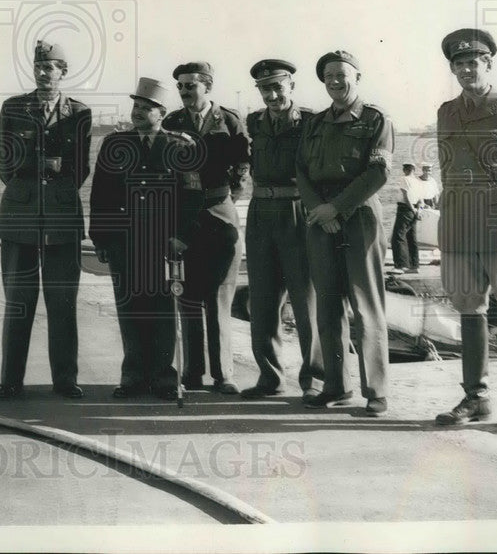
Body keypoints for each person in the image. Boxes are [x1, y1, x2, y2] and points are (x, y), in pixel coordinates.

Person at [434, 29, 497, 434]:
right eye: (459, 64)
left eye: (473, 62)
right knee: (468, 306)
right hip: (458, 222)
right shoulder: (446, 111)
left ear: (488, 64)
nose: (466, 70)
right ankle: (476, 397)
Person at [0, 40, 92, 399]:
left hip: (62, 216)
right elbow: (2, 158)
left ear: (63, 72)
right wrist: (30, 185)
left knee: (62, 301)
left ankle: (65, 379)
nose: (42, 73)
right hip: (20, 213)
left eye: (50, 67)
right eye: (38, 67)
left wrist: (56, 188)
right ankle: (10, 380)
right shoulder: (13, 107)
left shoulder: (79, 112)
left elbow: (81, 166)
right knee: (18, 301)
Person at [296, 50, 393, 417]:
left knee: (366, 305)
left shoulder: (375, 119)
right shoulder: (314, 123)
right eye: (329, 76)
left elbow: (378, 172)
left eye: (342, 74)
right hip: (320, 219)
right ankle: (335, 385)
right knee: (327, 305)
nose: (335, 81)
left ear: (357, 77)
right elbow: (300, 170)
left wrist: (336, 208)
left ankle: (376, 392)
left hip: (358, 216)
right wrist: (319, 210)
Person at [89, 77, 189, 400]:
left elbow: (191, 197)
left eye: (146, 108)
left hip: (163, 243)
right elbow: (101, 194)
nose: (138, 112)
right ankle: (132, 376)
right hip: (124, 240)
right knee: (129, 308)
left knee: (162, 309)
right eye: (136, 106)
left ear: (162, 113)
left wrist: (181, 236)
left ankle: (163, 378)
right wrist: (101, 239)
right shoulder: (115, 145)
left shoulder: (179, 146)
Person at [240, 59, 326, 401]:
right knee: (262, 300)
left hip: (297, 212)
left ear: (291, 86)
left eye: (277, 87)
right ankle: (270, 377)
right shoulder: (254, 122)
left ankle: (314, 379)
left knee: (306, 301)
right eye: (265, 89)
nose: (272, 95)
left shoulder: (310, 122)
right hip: (261, 213)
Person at [162, 61, 249, 393]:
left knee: (221, 294)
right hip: (186, 215)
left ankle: (224, 374)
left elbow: (242, 164)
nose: (184, 91)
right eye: (180, 86)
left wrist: (226, 198)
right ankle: (192, 372)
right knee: (188, 293)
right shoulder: (172, 123)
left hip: (219, 210)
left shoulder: (228, 120)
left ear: (207, 86)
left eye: (191, 86)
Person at [391, 162, 422, 273]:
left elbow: (406, 196)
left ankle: (400, 266)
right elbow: (421, 200)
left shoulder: (405, 179)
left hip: (405, 209)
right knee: (411, 237)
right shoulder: (418, 182)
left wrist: (412, 209)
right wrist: (418, 211)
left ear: (405, 170)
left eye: (405, 168)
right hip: (415, 210)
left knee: (398, 236)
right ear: (414, 170)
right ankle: (414, 266)